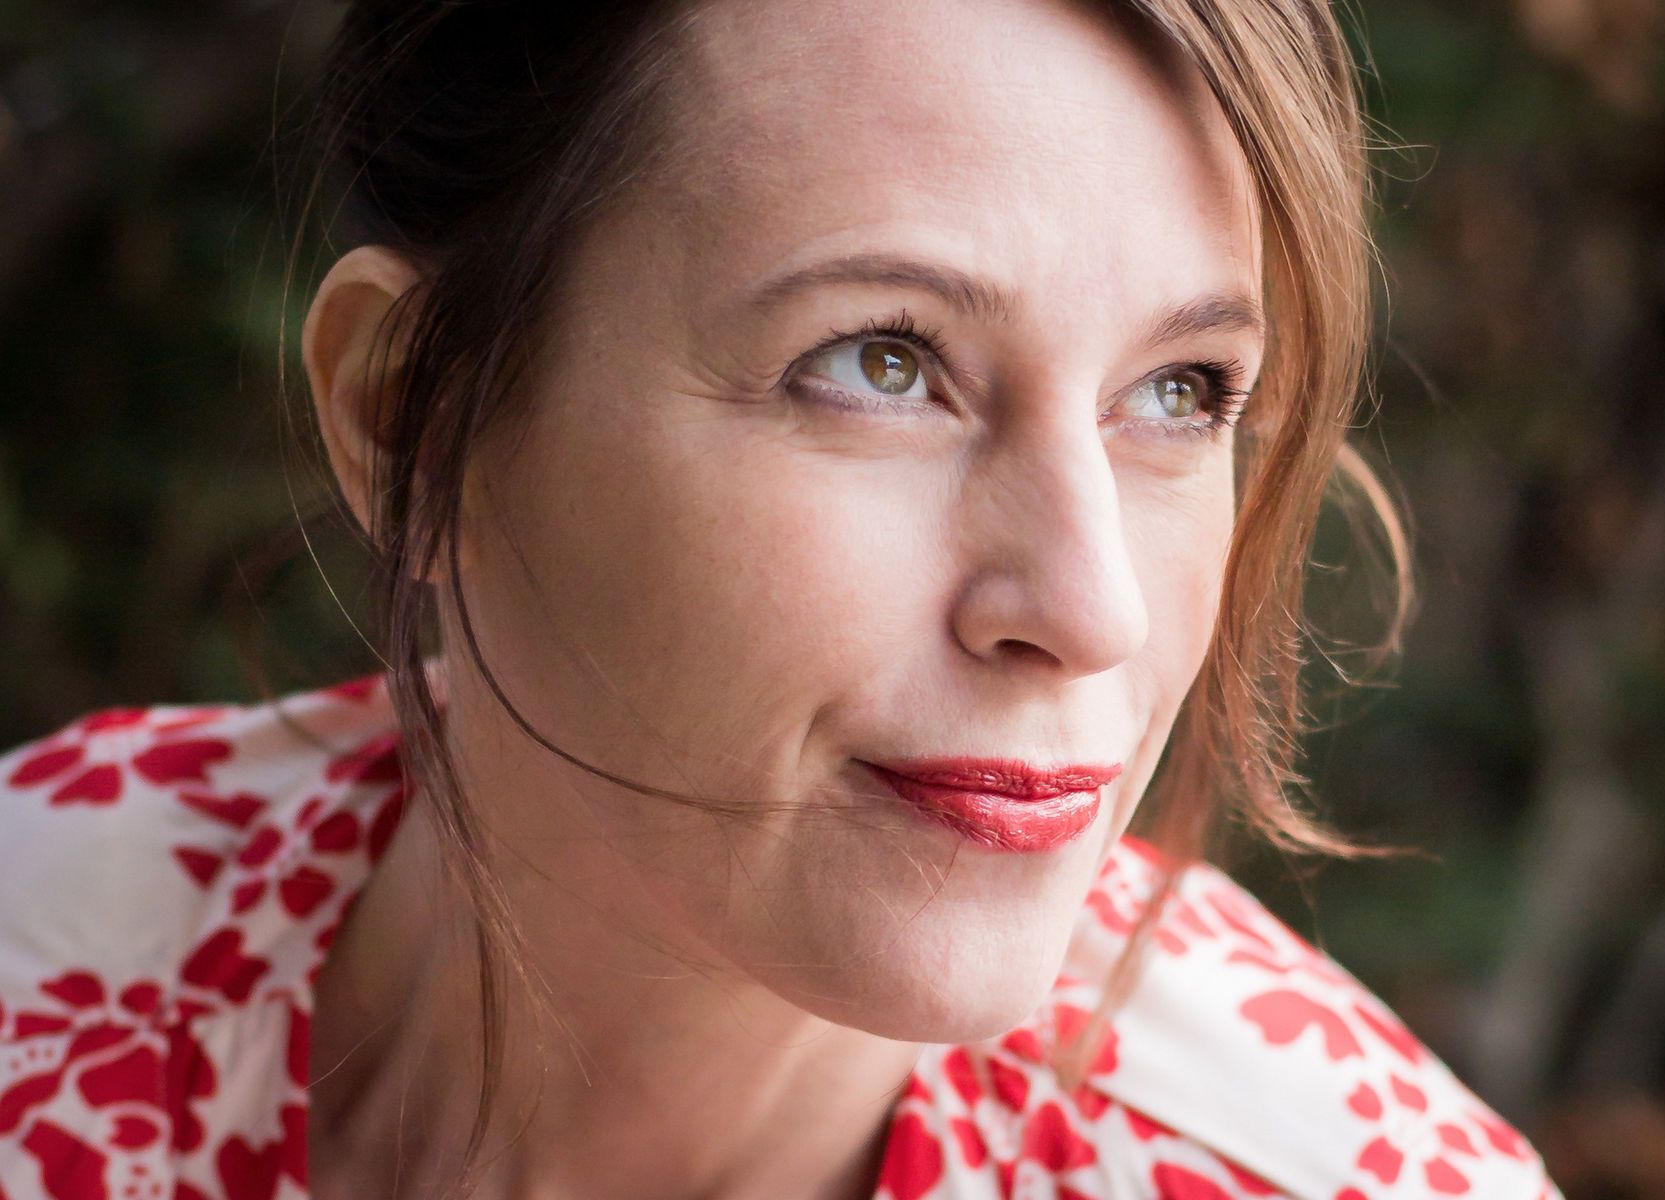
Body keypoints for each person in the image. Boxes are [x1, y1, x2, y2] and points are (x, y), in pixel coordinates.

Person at [0, 1, 1565, 1197]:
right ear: (415, 424)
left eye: (1182, 391)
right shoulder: (39, 973)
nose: (1093, 610)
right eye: (882, 362)